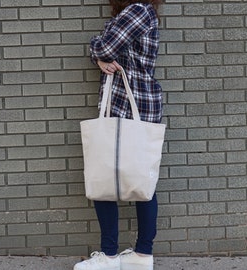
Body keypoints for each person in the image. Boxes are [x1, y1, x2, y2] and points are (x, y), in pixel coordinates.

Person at [74, 0, 162, 269]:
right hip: (121, 104)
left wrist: (96, 49)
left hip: (134, 104)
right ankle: (135, 256)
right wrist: (99, 54)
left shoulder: (138, 9)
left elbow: (106, 47)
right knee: (110, 178)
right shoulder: (135, 12)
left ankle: (119, 256)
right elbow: (105, 50)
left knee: (138, 181)